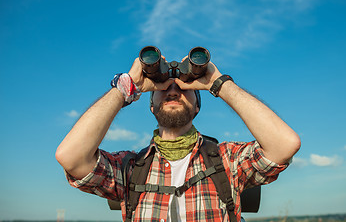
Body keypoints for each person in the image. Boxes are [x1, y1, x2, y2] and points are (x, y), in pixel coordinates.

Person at [56, 54, 301, 222]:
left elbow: (284, 145)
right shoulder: (130, 169)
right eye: (163, 88)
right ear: (151, 105)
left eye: (184, 88)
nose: (173, 90)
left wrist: (220, 83)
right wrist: (126, 87)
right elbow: (71, 157)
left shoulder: (227, 161)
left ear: (197, 106)